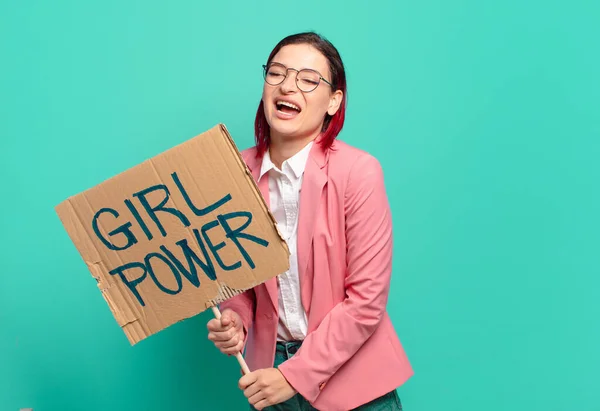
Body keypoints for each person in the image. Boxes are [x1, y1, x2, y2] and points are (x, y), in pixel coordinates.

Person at [207, 31, 413, 411]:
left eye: (308, 79)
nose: (288, 86)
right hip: (270, 378)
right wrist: (235, 320)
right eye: (277, 74)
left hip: (355, 384)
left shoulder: (359, 172)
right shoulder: (234, 170)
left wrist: (294, 376)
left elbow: (366, 302)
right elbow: (239, 279)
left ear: (334, 101)